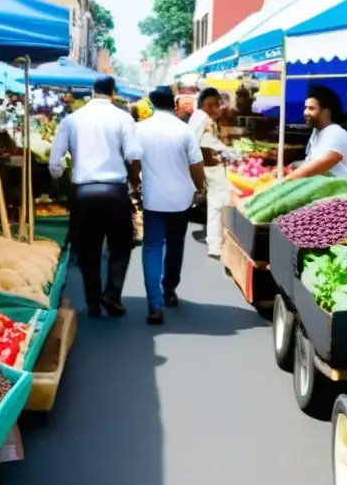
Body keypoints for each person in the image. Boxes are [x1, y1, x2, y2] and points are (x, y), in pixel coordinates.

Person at [49, 76, 141, 318]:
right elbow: (133, 155)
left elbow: (54, 162)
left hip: (84, 192)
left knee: (87, 248)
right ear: (113, 92)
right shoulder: (123, 117)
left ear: (92, 91)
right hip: (114, 191)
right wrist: (136, 183)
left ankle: (92, 299)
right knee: (121, 245)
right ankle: (112, 293)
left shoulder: (72, 119)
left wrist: (60, 178)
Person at [130, 86, 206, 325]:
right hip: (181, 199)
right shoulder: (184, 131)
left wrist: (135, 184)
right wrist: (200, 188)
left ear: (151, 103)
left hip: (153, 199)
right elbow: (196, 166)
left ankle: (154, 305)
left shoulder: (139, 129)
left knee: (152, 247)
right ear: (173, 103)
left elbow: (134, 164)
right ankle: (170, 289)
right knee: (175, 244)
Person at [284, 86, 347, 182]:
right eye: (305, 108)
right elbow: (310, 163)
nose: (305, 112)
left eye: (311, 108)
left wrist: (285, 181)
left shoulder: (335, 134)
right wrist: (291, 167)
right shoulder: (317, 132)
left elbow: (320, 165)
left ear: (326, 112)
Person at [188, 87, 230, 258]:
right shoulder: (204, 119)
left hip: (200, 165)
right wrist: (222, 154)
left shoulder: (197, 117)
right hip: (207, 167)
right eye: (214, 105)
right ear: (206, 104)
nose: (217, 108)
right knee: (217, 202)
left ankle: (214, 241)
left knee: (215, 202)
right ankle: (215, 244)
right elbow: (203, 147)